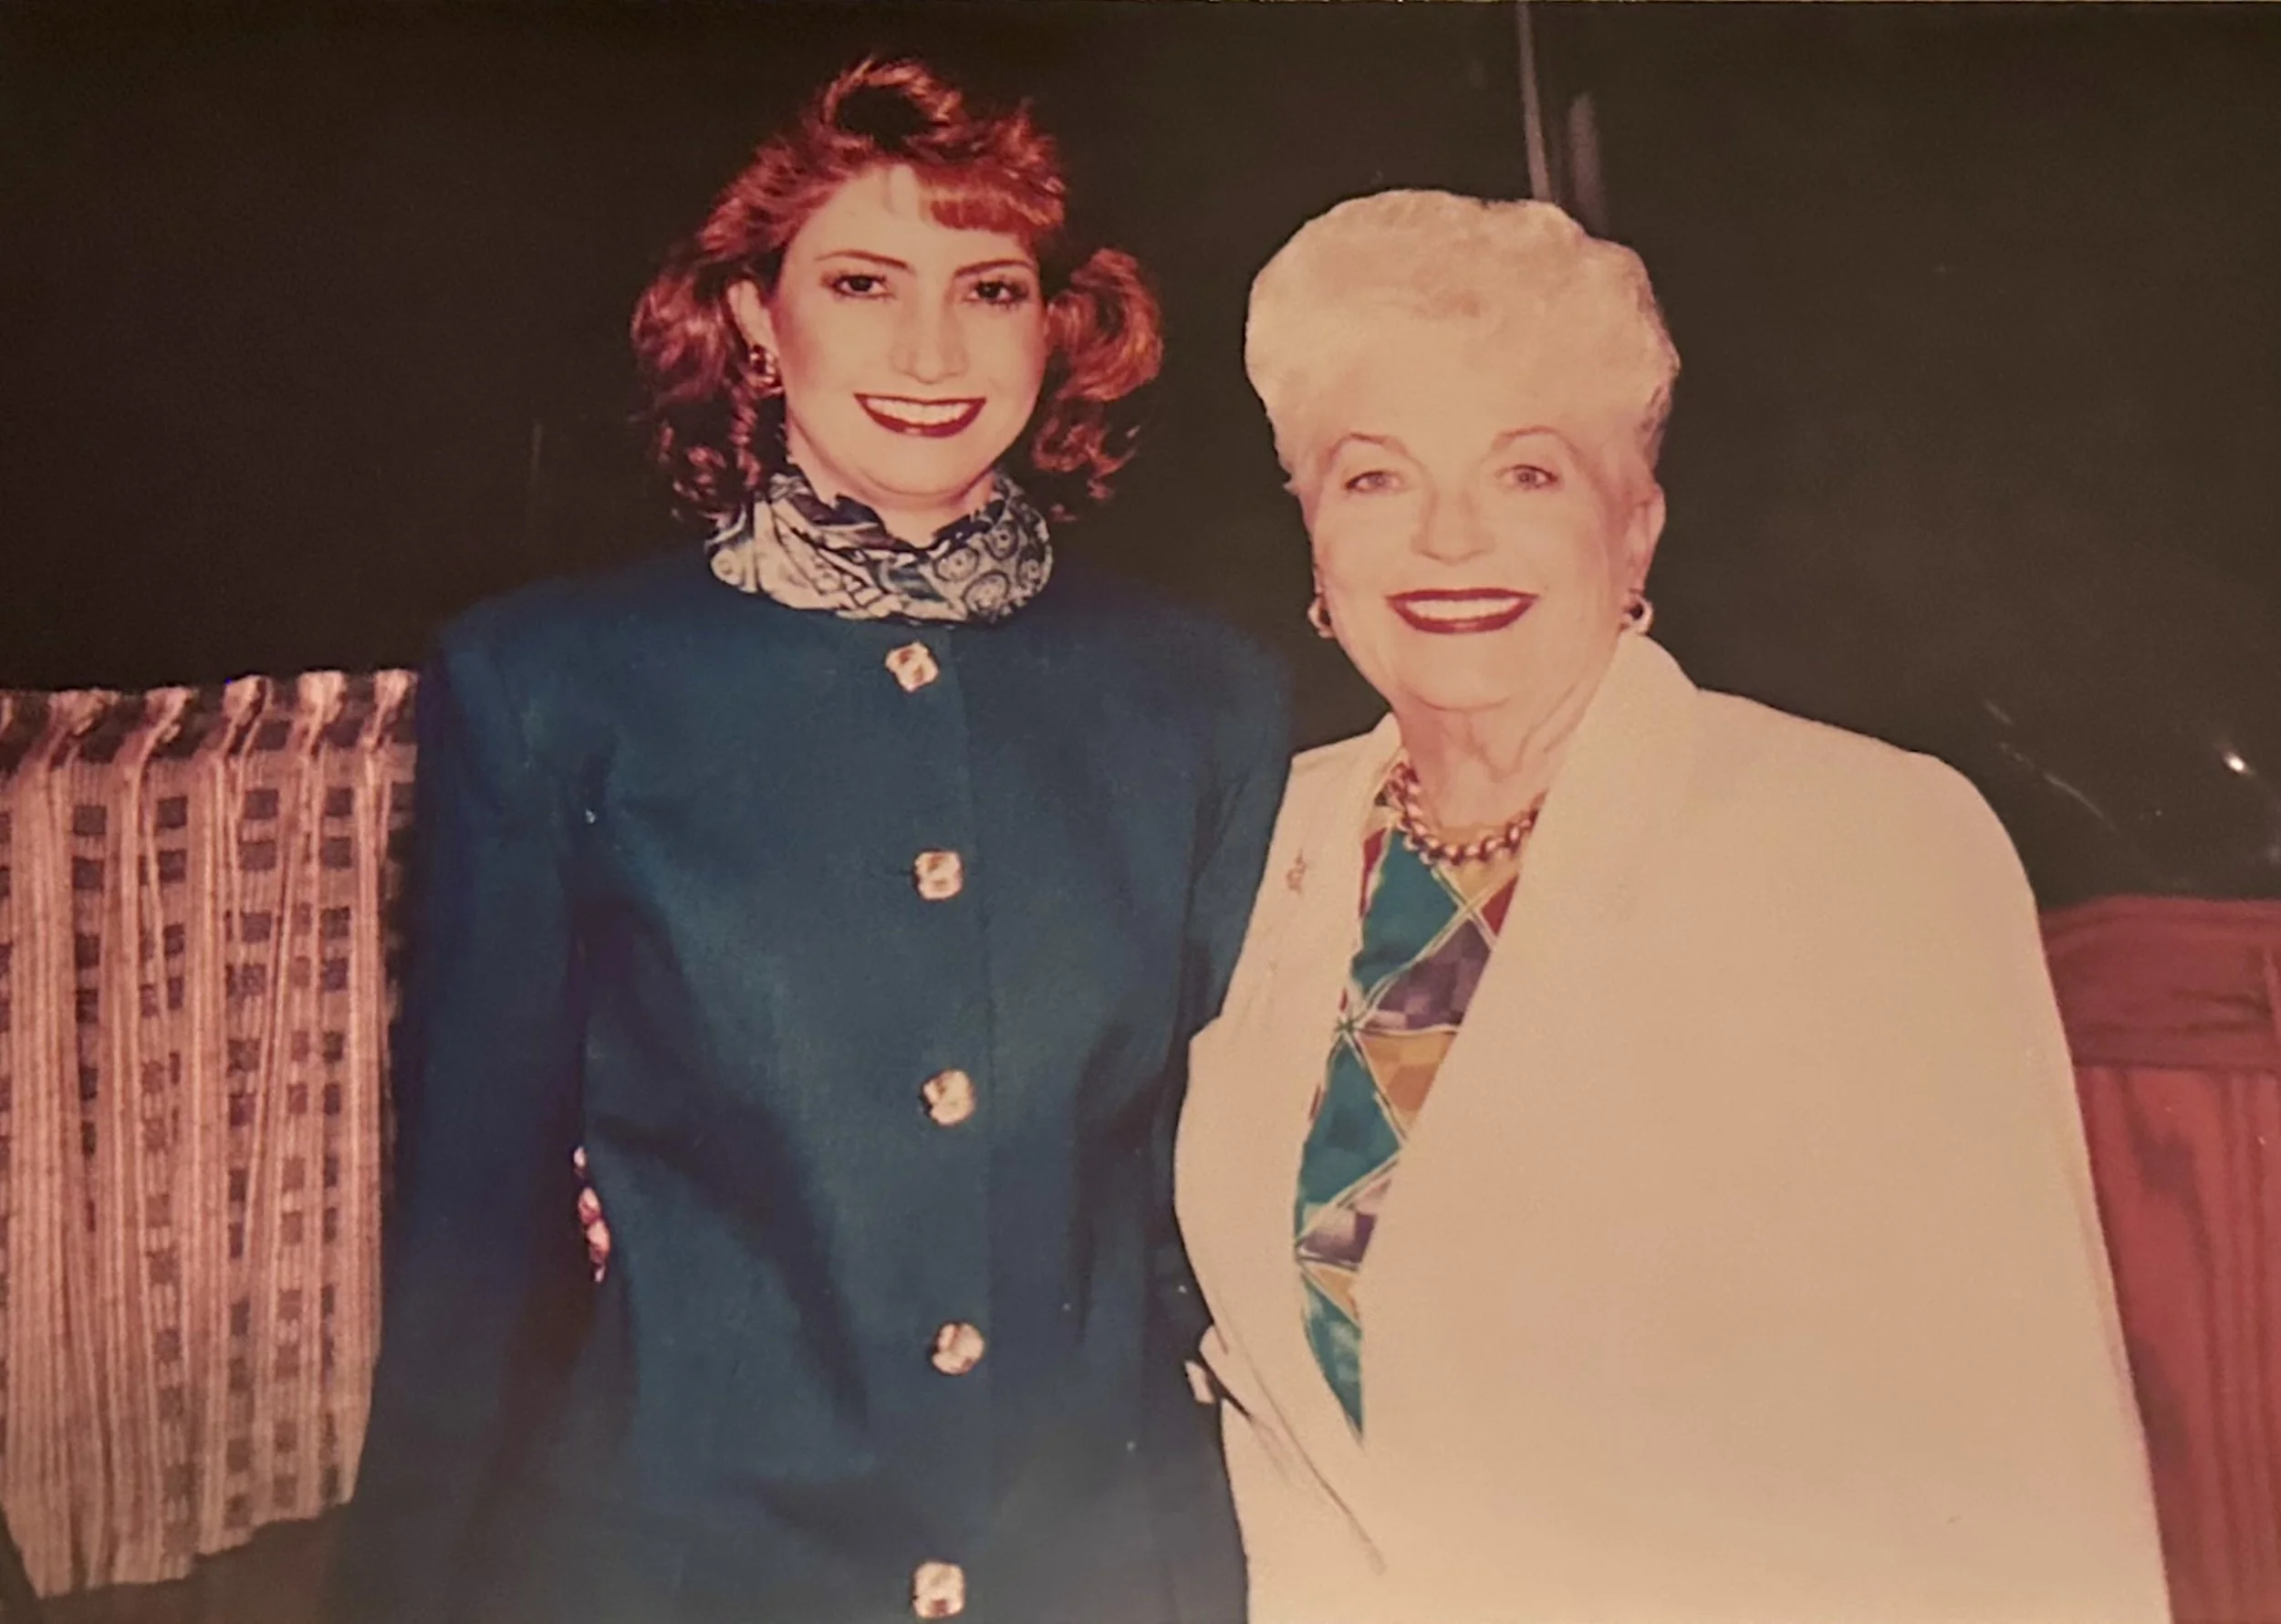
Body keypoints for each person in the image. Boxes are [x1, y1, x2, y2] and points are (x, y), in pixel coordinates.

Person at [330, 58, 1286, 1624]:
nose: (930, 349)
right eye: (861, 281)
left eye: (990, 286)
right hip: (691, 1568)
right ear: (757, 321)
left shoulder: (1205, 699)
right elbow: (471, 1253)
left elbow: (1231, 1201)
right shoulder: (554, 686)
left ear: (1062, 325)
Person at [1172, 190, 2172, 1623]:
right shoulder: (1260, 843)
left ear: (1633, 531)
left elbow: (2031, 1456)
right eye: (1376, 477)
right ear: (1314, 541)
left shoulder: (1862, 842)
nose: (1452, 537)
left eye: (1527, 475)